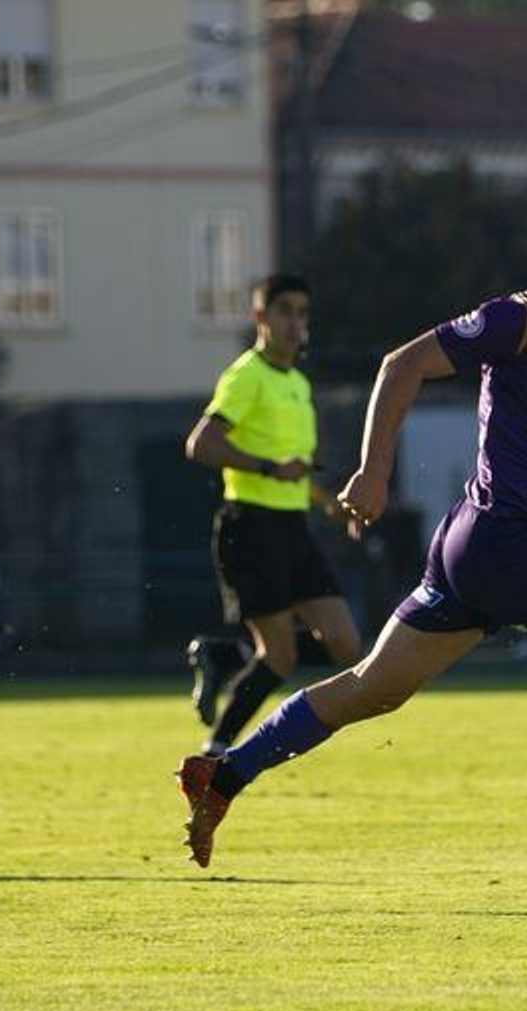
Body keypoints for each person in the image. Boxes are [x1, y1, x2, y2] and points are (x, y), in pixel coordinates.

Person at [176, 174, 527, 876]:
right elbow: (402, 365)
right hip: (508, 541)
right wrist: (374, 472)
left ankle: (224, 774)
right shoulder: (523, 318)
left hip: (478, 551)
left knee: (372, 687)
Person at [183, 273, 362, 758]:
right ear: (260, 316)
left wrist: (330, 504)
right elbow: (201, 444)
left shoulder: (298, 384)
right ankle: (216, 749)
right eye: (284, 311)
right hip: (251, 527)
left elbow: (293, 470)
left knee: (346, 645)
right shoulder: (246, 376)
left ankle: (225, 655)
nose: (294, 323)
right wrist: (265, 466)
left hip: (293, 529)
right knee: (279, 657)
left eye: (302, 313)